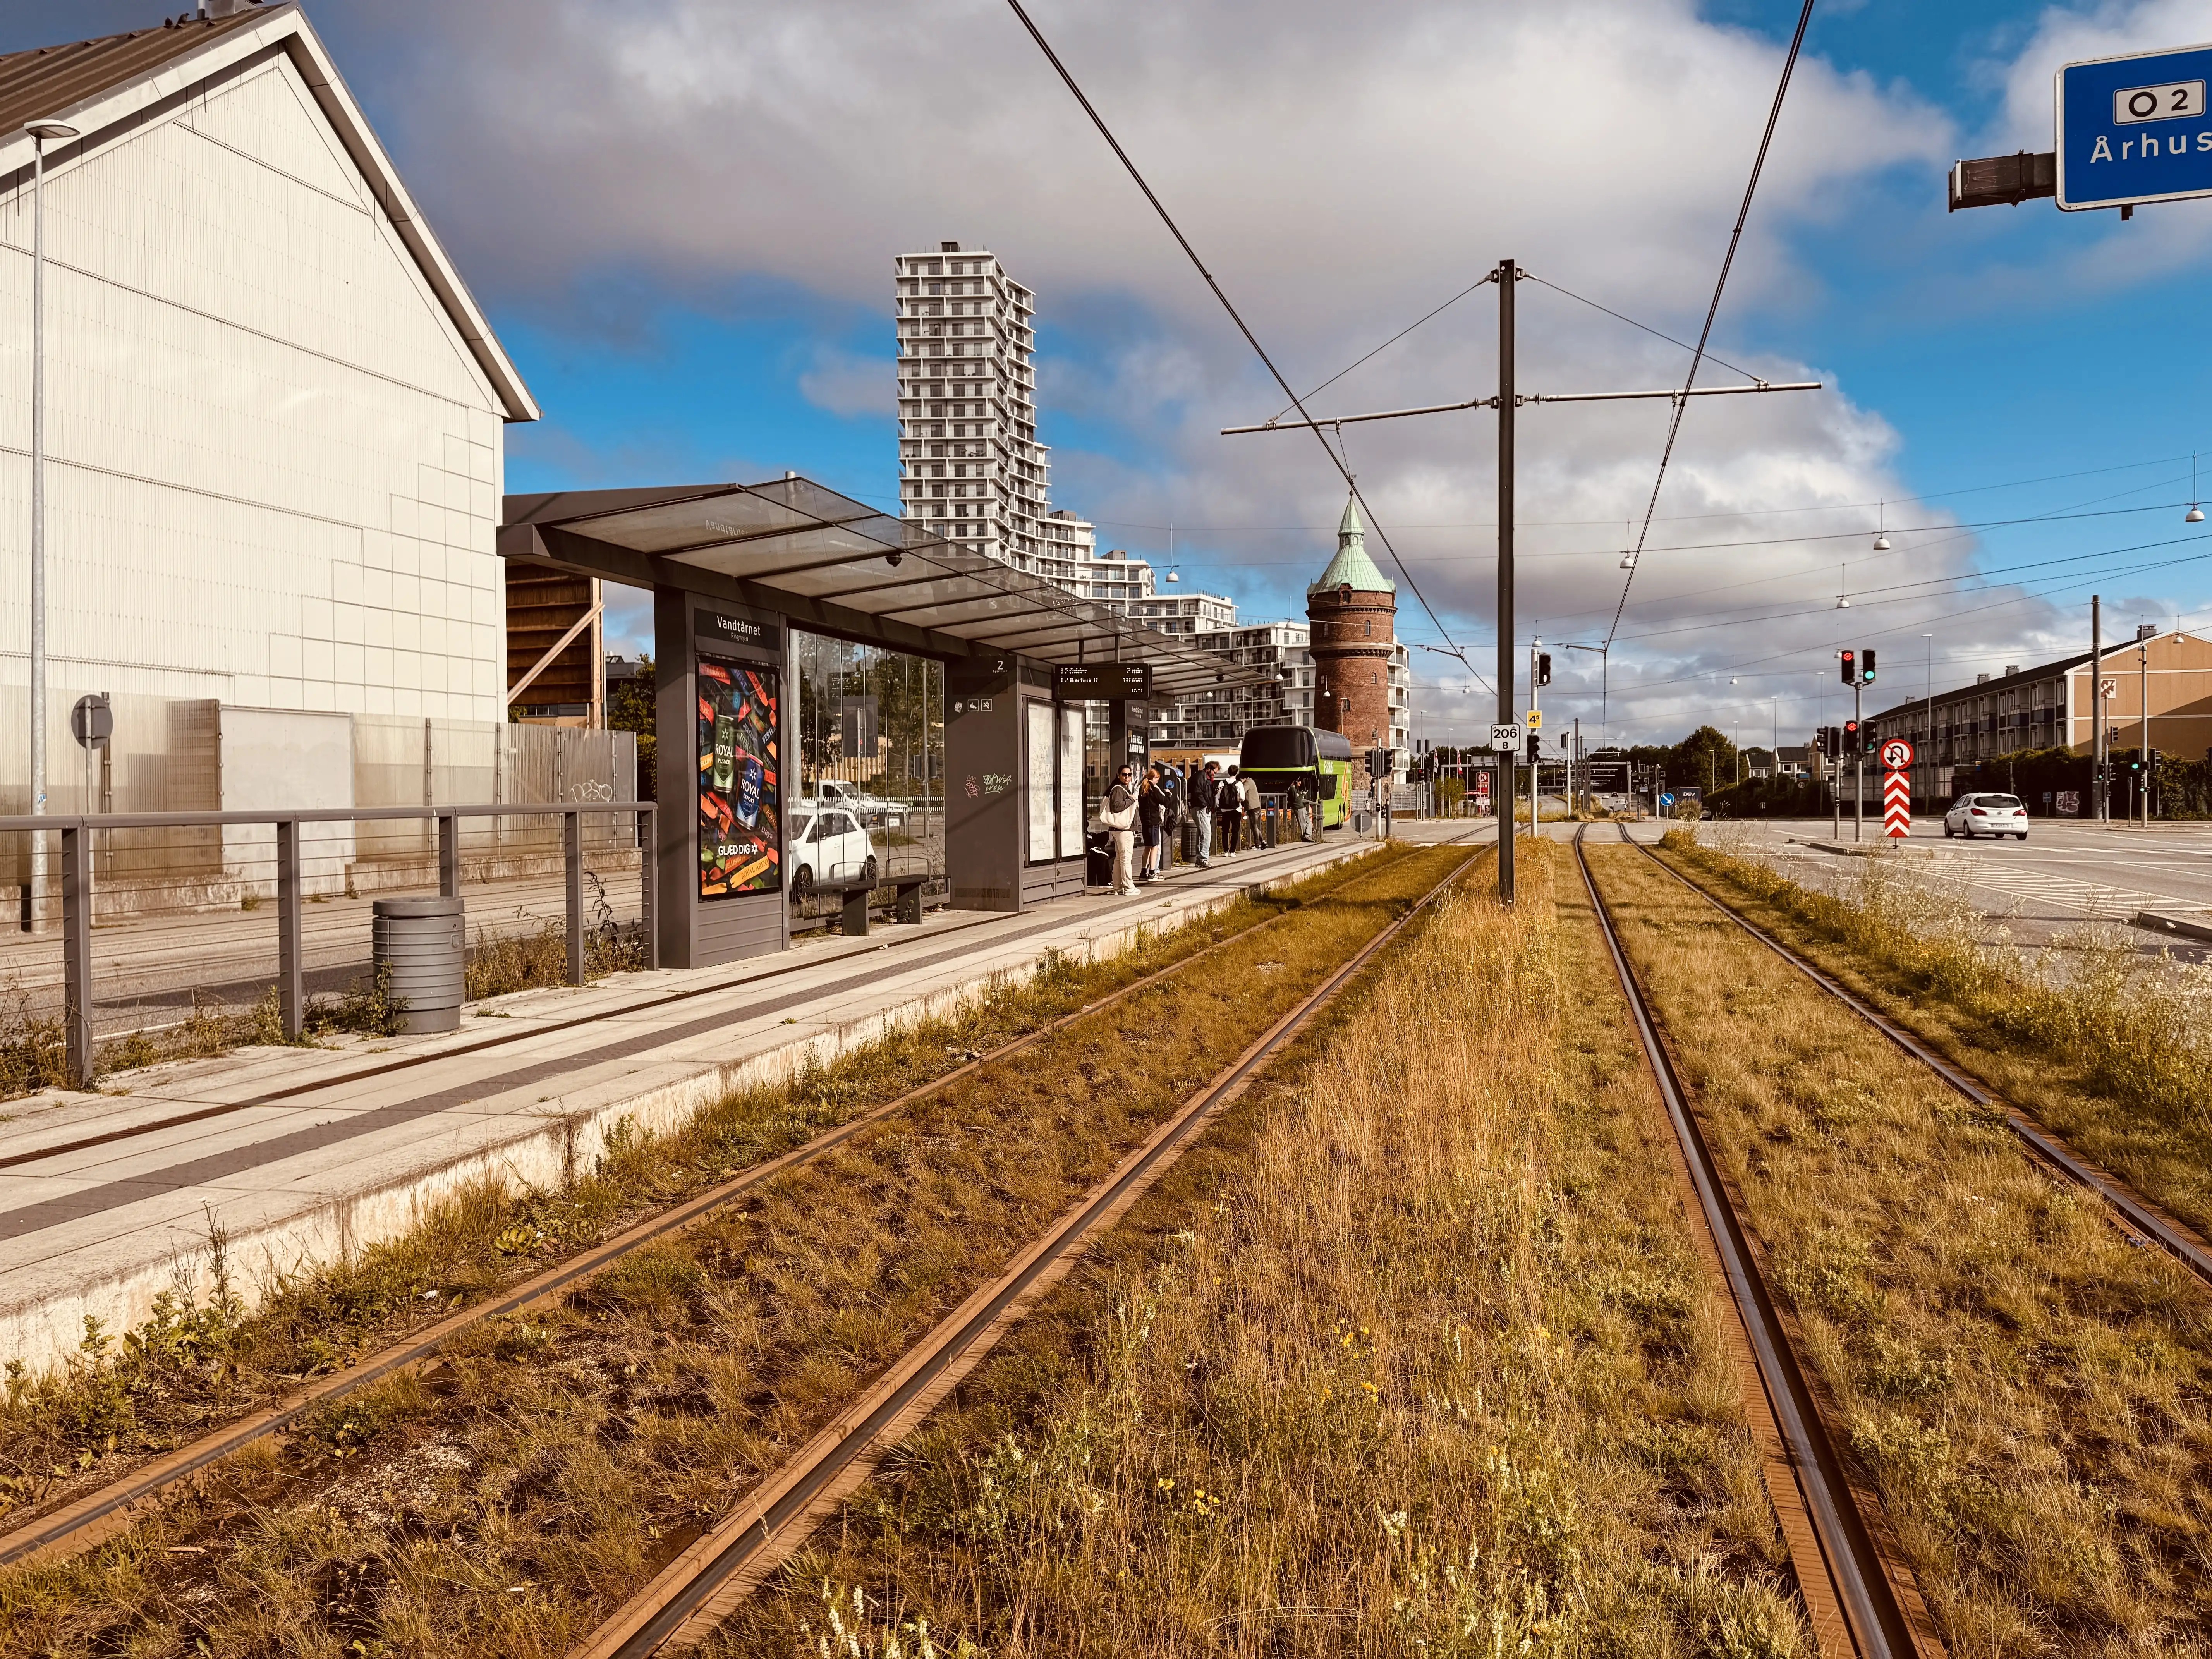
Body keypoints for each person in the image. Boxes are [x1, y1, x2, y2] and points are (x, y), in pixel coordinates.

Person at [1101, 764, 1138, 895]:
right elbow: (1116, 807)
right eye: (1124, 774)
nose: (1127, 777)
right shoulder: (1118, 789)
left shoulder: (1119, 788)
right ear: (1118, 775)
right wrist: (1131, 800)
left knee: (1119, 859)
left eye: (1129, 775)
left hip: (1119, 830)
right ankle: (1129, 887)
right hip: (1123, 830)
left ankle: (1117, 887)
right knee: (1126, 859)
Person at [1138, 764, 1168, 883]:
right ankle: (1152, 873)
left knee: (1147, 847)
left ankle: (1143, 873)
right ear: (1154, 778)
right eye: (1157, 779)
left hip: (1145, 823)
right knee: (1155, 847)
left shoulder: (1142, 789)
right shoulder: (1153, 789)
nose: (1157, 782)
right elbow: (1165, 801)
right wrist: (1168, 794)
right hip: (1153, 822)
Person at [1193, 760, 1220, 867]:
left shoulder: (1207, 778)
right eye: (1214, 772)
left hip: (1204, 808)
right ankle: (1203, 859)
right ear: (1209, 768)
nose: (1214, 775)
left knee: (1202, 834)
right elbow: (1198, 792)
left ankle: (1200, 859)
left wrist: (1215, 792)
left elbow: (1205, 793)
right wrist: (1205, 805)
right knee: (1207, 833)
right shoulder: (1201, 776)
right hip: (1201, 808)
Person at [1218, 766, 1242, 855]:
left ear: (1228, 772)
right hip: (1236, 809)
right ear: (1237, 773)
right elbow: (1243, 797)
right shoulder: (1239, 784)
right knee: (1235, 831)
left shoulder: (1222, 783)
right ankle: (1232, 851)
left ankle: (1225, 851)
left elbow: (1218, 796)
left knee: (1225, 830)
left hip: (1225, 810)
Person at [1241, 766, 1263, 849]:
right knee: (1254, 826)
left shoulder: (1247, 783)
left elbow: (1242, 791)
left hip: (1252, 808)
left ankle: (1258, 844)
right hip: (1256, 807)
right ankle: (1263, 842)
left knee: (1254, 827)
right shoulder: (1251, 781)